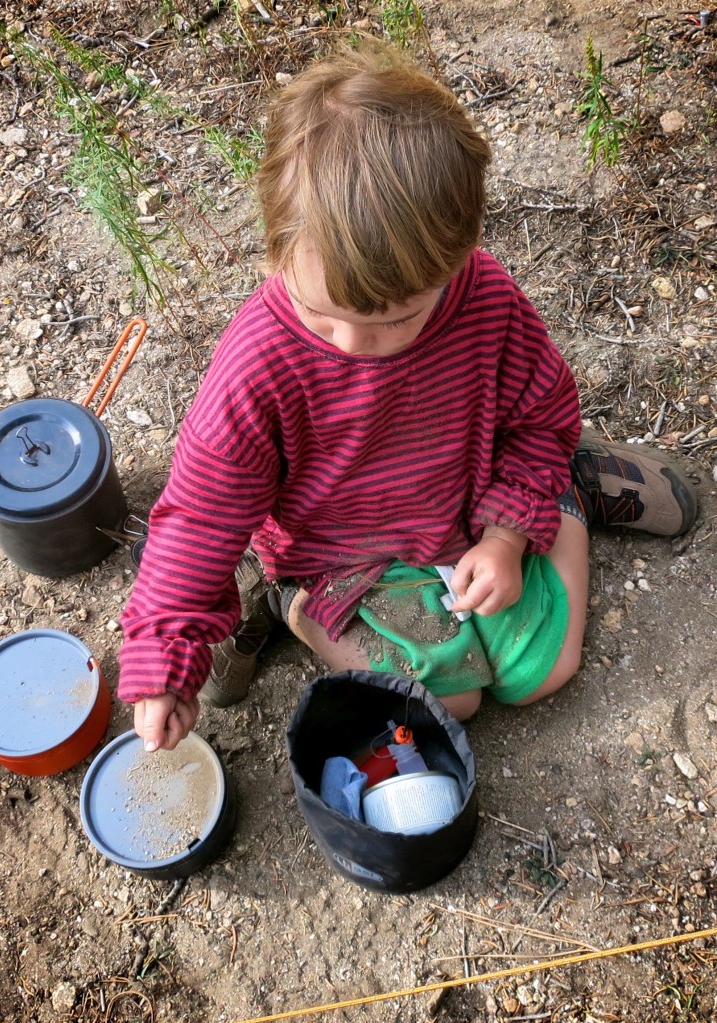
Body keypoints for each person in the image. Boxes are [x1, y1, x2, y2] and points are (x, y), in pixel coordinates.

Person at [117, 41, 697, 752]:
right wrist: (166, 665)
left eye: (398, 320)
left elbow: (539, 415)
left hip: (473, 497)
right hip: (342, 554)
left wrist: (508, 535)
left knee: (542, 674)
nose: (358, 347)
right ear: (277, 251)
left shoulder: (486, 299)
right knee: (451, 703)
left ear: (456, 260)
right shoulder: (255, 369)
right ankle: (288, 598)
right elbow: (199, 523)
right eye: (324, 316)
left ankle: (564, 486)